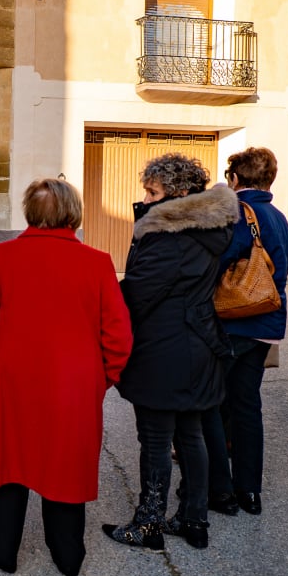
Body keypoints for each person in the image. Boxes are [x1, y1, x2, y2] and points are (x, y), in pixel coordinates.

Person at [0, 179, 133, 576]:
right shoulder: (97, 262)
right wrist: (100, 380)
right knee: (66, 463)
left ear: (30, 212)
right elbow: (119, 338)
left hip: (11, 381)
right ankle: (67, 553)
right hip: (73, 384)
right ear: (73, 214)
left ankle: (2, 546)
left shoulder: (2, 256)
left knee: (9, 462)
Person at [103, 153, 237, 551]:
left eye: (152, 192)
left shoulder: (169, 235)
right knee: (191, 434)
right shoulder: (208, 229)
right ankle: (194, 520)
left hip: (165, 349)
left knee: (156, 439)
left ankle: (149, 524)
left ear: (177, 195)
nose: (145, 199)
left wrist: (100, 301)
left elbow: (139, 293)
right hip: (199, 345)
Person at [202, 148, 288, 516]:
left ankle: (218, 488)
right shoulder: (279, 216)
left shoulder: (238, 212)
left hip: (232, 320)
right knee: (247, 406)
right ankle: (250, 490)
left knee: (210, 404)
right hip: (265, 322)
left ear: (235, 178)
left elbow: (219, 261)